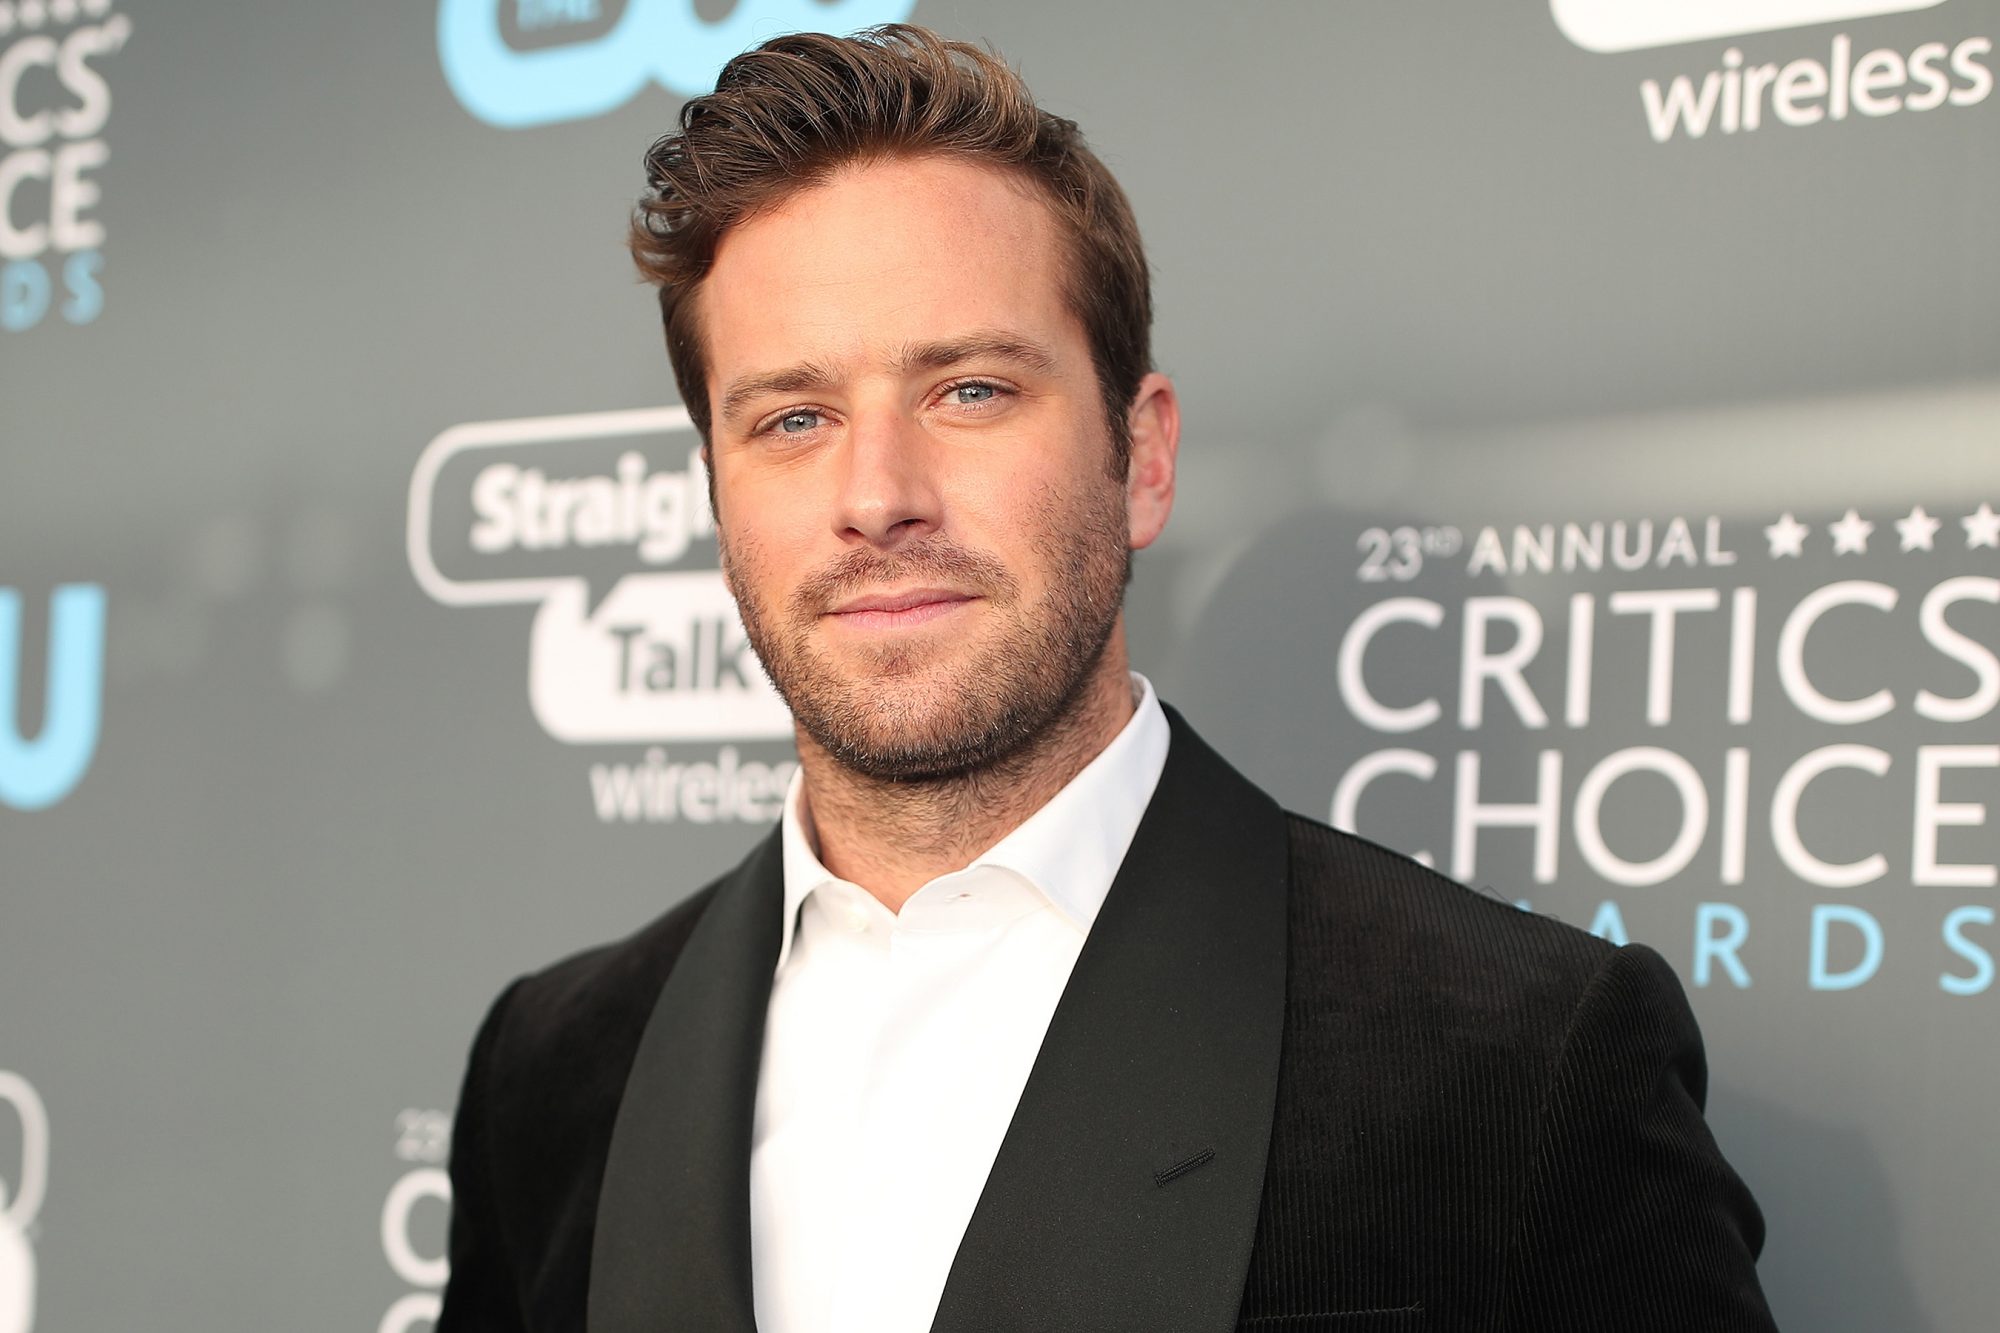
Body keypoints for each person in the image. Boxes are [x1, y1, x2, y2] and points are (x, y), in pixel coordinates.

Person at [438, 24, 1777, 1333]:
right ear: (717, 493)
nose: (876, 495)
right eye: (793, 418)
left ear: (1142, 458)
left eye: (969, 390)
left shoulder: (1522, 1063)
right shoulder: (553, 1069)